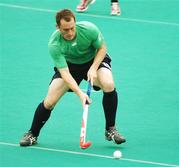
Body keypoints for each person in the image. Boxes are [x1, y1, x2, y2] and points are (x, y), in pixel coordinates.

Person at [19, 9, 126, 146]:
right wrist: (80, 93)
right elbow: (64, 73)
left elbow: (102, 48)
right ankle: (32, 134)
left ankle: (110, 129)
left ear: (75, 23)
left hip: (93, 61)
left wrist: (93, 68)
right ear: (58, 27)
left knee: (109, 84)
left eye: (72, 28)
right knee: (50, 101)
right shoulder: (54, 44)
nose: (70, 33)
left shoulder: (89, 29)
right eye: (65, 30)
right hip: (70, 67)